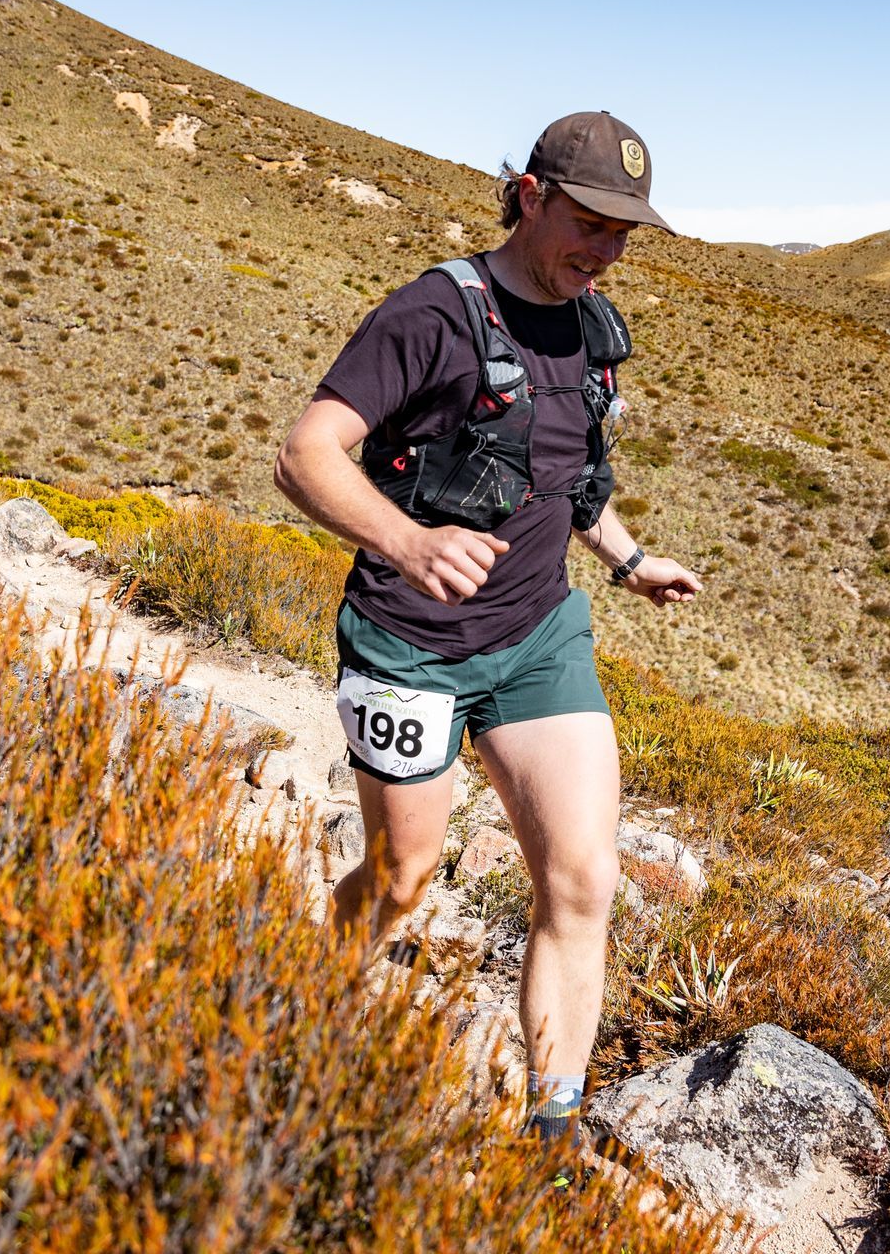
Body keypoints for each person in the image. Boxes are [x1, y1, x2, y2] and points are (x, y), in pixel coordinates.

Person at [274, 111, 701, 1145]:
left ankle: (550, 1135)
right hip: (408, 641)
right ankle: (287, 1014)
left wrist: (630, 560)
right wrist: (409, 542)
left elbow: (566, 475)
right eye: (588, 223)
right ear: (529, 195)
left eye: (622, 235)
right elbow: (306, 453)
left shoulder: (592, 326)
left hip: (538, 634)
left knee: (583, 876)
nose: (602, 251)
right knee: (403, 876)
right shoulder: (433, 313)